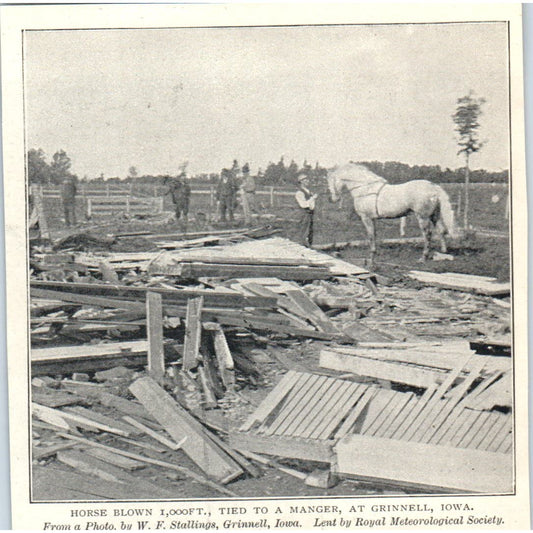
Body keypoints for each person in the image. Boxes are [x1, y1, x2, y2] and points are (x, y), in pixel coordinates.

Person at [294, 171, 318, 247]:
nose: (308, 181)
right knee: (303, 230)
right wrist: (313, 198)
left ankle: (308, 246)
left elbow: (312, 204)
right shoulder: (299, 193)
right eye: (305, 180)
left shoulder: (309, 192)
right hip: (304, 214)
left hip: (310, 213)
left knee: (310, 231)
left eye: (308, 179)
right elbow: (303, 205)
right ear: (301, 182)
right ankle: (301, 246)